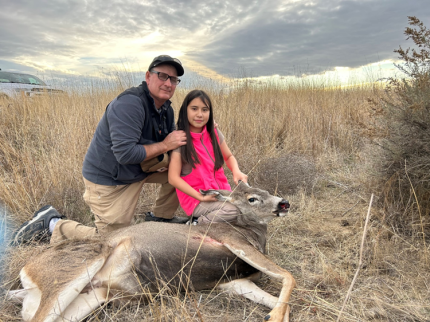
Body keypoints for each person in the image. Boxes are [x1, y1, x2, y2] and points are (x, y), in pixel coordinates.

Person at [13, 55, 188, 245]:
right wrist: (164, 146)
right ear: (148, 76)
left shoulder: (166, 110)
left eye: (173, 79)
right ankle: (52, 225)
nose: (168, 83)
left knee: (184, 168)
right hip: (110, 179)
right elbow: (125, 153)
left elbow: (174, 143)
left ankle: (161, 218)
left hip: (138, 169)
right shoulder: (130, 104)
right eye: (162, 76)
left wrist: (205, 133)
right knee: (112, 242)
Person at [168, 89, 248, 223]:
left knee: (247, 208)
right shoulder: (180, 139)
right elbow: (173, 178)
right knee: (233, 211)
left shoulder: (214, 132)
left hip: (221, 192)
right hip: (196, 200)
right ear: (185, 110)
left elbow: (228, 157)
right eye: (194, 109)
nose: (199, 114)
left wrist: (236, 171)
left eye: (205, 110)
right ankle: (195, 224)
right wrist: (201, 197)